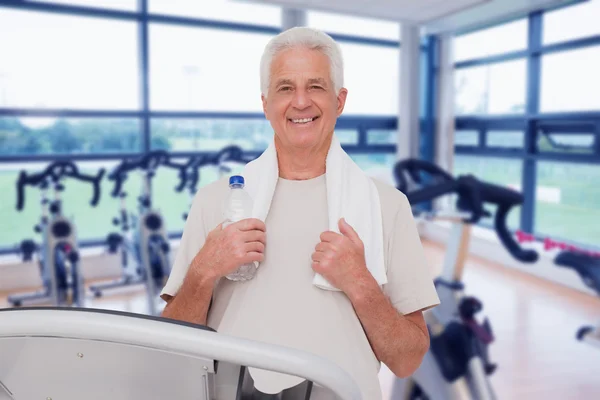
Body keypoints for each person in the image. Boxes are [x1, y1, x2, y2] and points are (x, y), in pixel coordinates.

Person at [160, 26, 440, 399]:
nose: (301, 102)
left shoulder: (387, 206)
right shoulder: (216, 203)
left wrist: (360, 282)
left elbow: (408, 361)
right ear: (265, 103)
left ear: (340, 101)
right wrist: (202, 271)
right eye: (286, 88)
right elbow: (168, 348)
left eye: (316, 87)